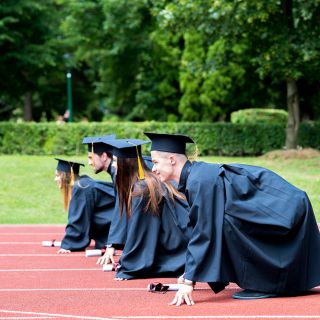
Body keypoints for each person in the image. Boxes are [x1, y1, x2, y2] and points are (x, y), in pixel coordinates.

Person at [144, 132, 320, 306]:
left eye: (156, 162)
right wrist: (191, 271)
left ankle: (268, 284)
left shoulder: (199, 180)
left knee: (225, 224)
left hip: (283, 209)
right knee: (224, 221)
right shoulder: (197, 176)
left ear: (172, 160)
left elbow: (204, 232)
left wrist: (189, 280)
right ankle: (264, 282)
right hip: (276, 208)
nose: (153, 169)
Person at [100, 138, 191, 279]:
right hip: (179, 239)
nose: (114, 166)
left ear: (126, 164)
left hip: (177, 248)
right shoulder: (145, 181)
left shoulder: (142, 189)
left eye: (117, 162)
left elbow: (141, 232)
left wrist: (129, 267)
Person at [56, 134, 116, 253]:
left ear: (104, 156)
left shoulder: (82, 186)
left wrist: (69, 244)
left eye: (90, 157)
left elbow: (77, 220)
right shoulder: (85, 184)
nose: (89, 162)